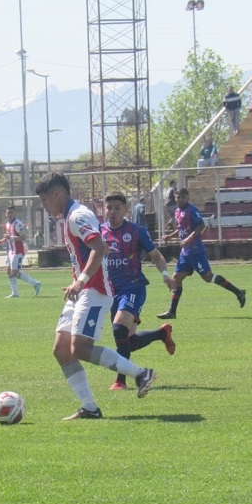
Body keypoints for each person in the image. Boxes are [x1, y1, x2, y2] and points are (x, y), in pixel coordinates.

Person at [34, 172, 156, 420]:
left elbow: (99, 248)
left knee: (79, 347)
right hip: (81, 290)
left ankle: (141, 373)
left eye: (45, 200)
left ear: (57, 194)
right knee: (61, 349)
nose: (44, 206)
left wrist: (81, 280)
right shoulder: (71, 215)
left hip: (95, 289)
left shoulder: (77, 216)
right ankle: (89, 407)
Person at [100, 193, 177, 390]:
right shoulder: (99, 233)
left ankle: (121, 381)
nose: (113, 212)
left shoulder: (136, 231)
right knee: (129, 342)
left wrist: (165, 274)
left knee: (118, 329)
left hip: (134, 287)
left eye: (117, 208)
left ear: (126, 210)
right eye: (109, 208)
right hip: (112, 292)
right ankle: (162, 333)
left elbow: (155, 255)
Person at [157, 187, 246, 319]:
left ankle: (238, 292)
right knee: (176, 279)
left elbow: (200, 226)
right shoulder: (177, 211)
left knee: (208, 278)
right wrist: (170, 236)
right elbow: (182, 229)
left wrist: (189, 238)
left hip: (195, 251)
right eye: (177, 197)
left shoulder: (192, 210)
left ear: (187, 198)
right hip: (185, 253)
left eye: (182, 197)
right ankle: (172, 312)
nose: (179, 199)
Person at [0, 204, 41, 298]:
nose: (10, 214)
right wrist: (3, 241)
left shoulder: (18, 224)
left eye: (12, 212)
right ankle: (33, 284)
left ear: (15, 213)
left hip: (18, 252)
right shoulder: (8, 224)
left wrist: (11, 237)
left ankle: (17, 292)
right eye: (8, 212)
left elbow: (23, 237)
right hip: (10, 251)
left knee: (14, 272)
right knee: (10, 272)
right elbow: (9, 237)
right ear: (6, 214)